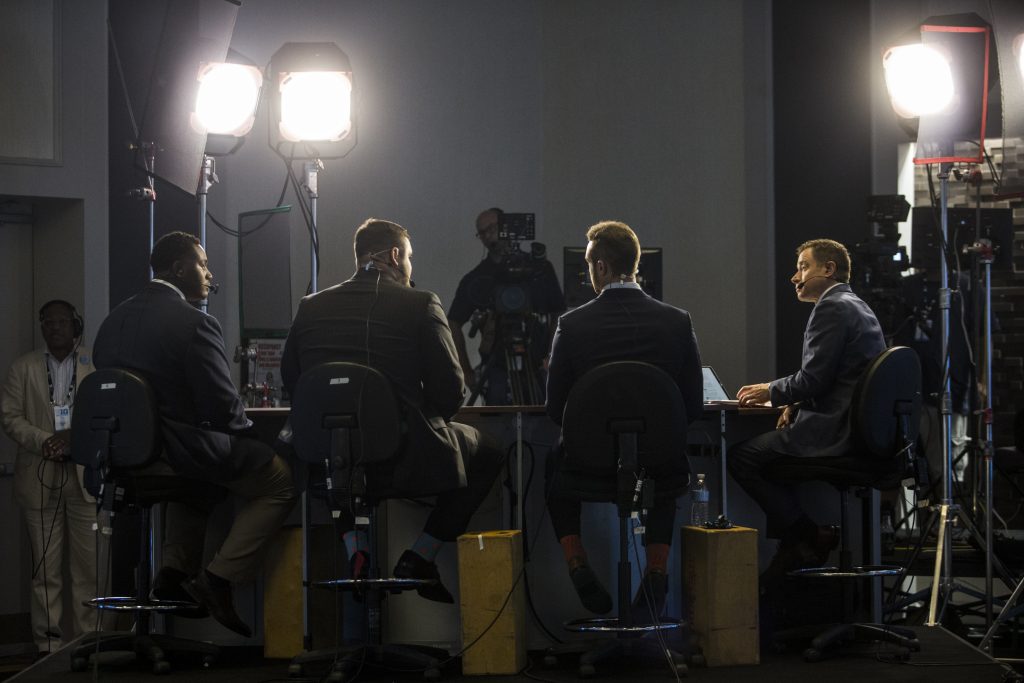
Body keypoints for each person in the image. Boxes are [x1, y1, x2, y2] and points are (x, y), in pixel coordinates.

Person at [281, 218, 505, 603]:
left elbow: (294, 383)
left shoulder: (310, 307)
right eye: (410, 258)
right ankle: (420, 557)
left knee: (341, 474)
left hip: (328, 458)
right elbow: (451, 392)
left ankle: (356, 550)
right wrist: (414, 420)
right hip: (404, 457)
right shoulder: (420, 303)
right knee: (490, 452)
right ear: (396, 255)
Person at [92, 231, 297, 637]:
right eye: (203, 264)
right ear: (179, 268)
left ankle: (172, 574)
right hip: (177, 455)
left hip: (118, 458)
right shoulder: (195, 323)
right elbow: (224, 410)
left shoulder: (111, 322)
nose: (209, 273)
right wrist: (250, 434)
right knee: (279, 480)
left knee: (201, 481)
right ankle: (218, 578)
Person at [544, 221, 703, 619]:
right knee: (669, 467)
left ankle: (576, 561)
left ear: (599, 267)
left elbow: (554, 407)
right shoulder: (677, 321)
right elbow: (693, 406)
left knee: (551, 465)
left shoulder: (573, 324)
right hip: (657, 465)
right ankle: (656, 570)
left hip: (587, 467)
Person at [730, 238, 885, 582]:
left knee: (742, 457)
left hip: (835, 433)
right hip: (862, 432)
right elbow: (841, 374)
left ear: (828, 269)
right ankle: (796, 543)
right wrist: (795, 401)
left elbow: (814, 379)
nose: (794, 277)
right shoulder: (857, 305)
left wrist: (771, 391)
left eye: (803, 266)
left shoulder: (831, 307)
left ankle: (806, 536)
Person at [2, 300, 99, 657]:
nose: (54, 328)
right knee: (46, 569)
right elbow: (10, 417)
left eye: (61, 322)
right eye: (48, 322)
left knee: (88, 568)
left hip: (85, 476)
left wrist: (75, 437)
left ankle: (89, 639)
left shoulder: (94, 363)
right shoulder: (23, 367)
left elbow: (105, 411)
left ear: (76, 325)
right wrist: (47, 441)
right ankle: (49, 644)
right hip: (39, 477)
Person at [447, 208, 565, 405]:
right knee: (498, 426)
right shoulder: (477, 279)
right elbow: (453, 322)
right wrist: (466, 372)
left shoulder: (539, 269)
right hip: (497, 366)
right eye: (482, 232)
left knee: (542, 423)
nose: (488, 235)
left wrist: (551, 355)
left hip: (537, 364)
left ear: (506, 227)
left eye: (492, 227)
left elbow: (558, 310)